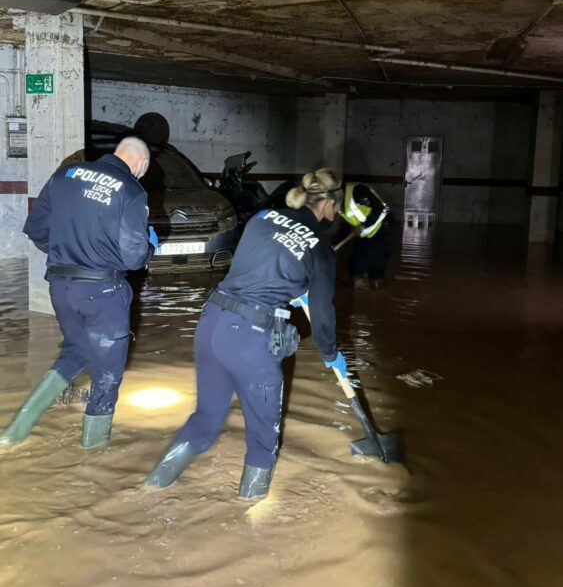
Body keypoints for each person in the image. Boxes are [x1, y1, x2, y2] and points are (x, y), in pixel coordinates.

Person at [144, 168, 348, 500]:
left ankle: (150, 488)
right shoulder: (320, 249)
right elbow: (324, 316)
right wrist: (331, 354)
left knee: (206, 420)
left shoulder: (263, 217)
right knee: (263, 439)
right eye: (335, 208)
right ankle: (249, 519)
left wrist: (292, 289)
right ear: (327, 204)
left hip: (212, 321)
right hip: (252, 339)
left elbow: (255, 267)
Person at [0, 137, 158, 449]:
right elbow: (133, 258)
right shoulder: (131, 190)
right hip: (103, 291)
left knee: (77, 352)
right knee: (108, 374)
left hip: (60, 286)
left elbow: (35, 229)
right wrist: (150, 246)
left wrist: (66, 254)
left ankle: (15, 431)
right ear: (140, 164)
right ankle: (92, 453)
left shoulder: (65, 176)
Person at [339, 182, 391, 288]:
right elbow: (345, 225)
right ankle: (359, 279)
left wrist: (364, 225)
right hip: (364, 232)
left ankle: (376, 282)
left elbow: (379, 208)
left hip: (381, 225)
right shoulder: (338, 205)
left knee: (376, 256)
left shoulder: (358, 191)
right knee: (358, 254)